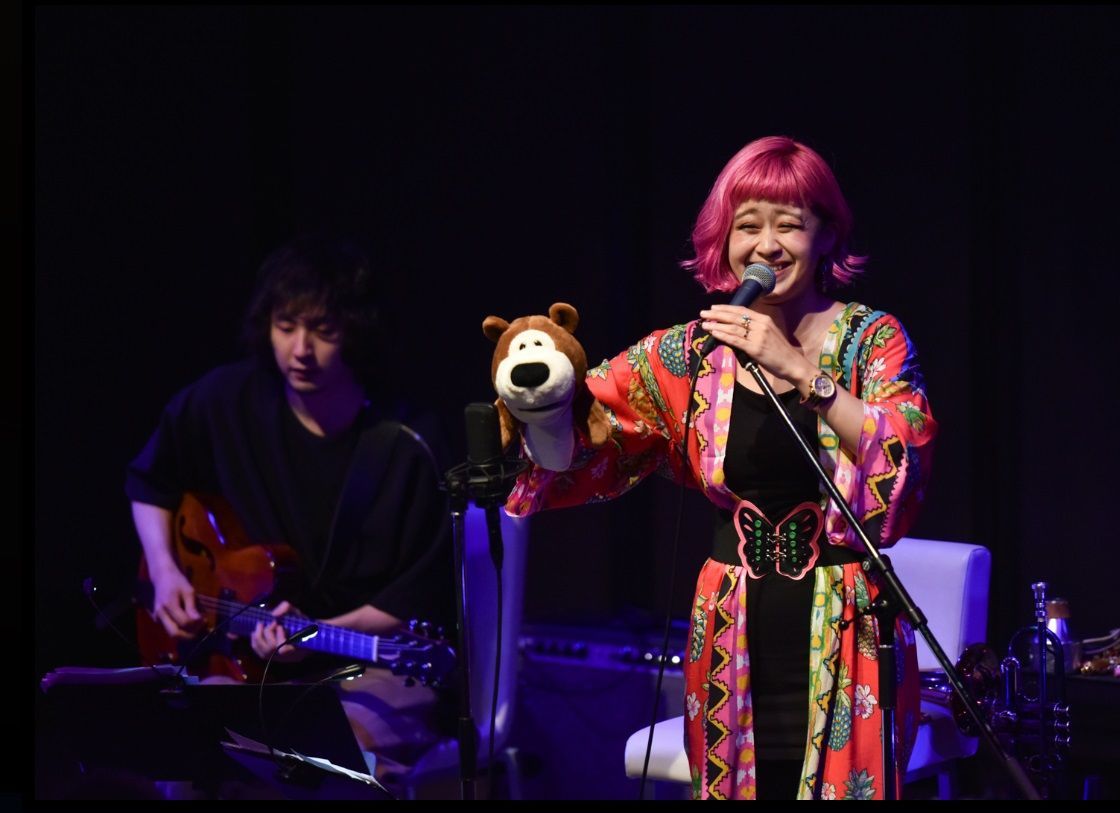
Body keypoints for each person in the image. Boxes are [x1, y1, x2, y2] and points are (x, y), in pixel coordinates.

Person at [503, 136, 937, 800]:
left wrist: (799, 370)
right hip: (732, 636)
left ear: (826, 235)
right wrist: (544, 404)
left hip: (850, 633)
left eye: (788, 224)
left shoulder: (872, 339)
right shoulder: (694, 352)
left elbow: (903, 450)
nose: (766, 245)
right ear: (723, 241)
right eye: (748, 226)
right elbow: (593, 430)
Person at [125, 235, 455, 796]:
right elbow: (149, 481)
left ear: (355, 331)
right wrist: (164, 571)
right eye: (285, 326)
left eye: (323, 331)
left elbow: (420, 595)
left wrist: (316, 635)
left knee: (336, 767)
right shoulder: (227, 398)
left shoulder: (407, 443)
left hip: (367, 660)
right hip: (244, 658)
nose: (301, 349)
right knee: (186, 762)